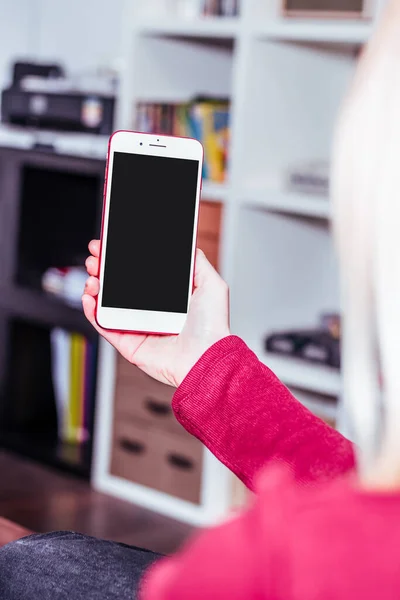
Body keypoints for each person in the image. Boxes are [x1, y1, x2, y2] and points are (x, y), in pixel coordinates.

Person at [1, 1, 400, 598]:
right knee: (40, 559)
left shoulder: (270, 557)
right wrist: (206, 362)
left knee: (33, 564)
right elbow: (344, 480)